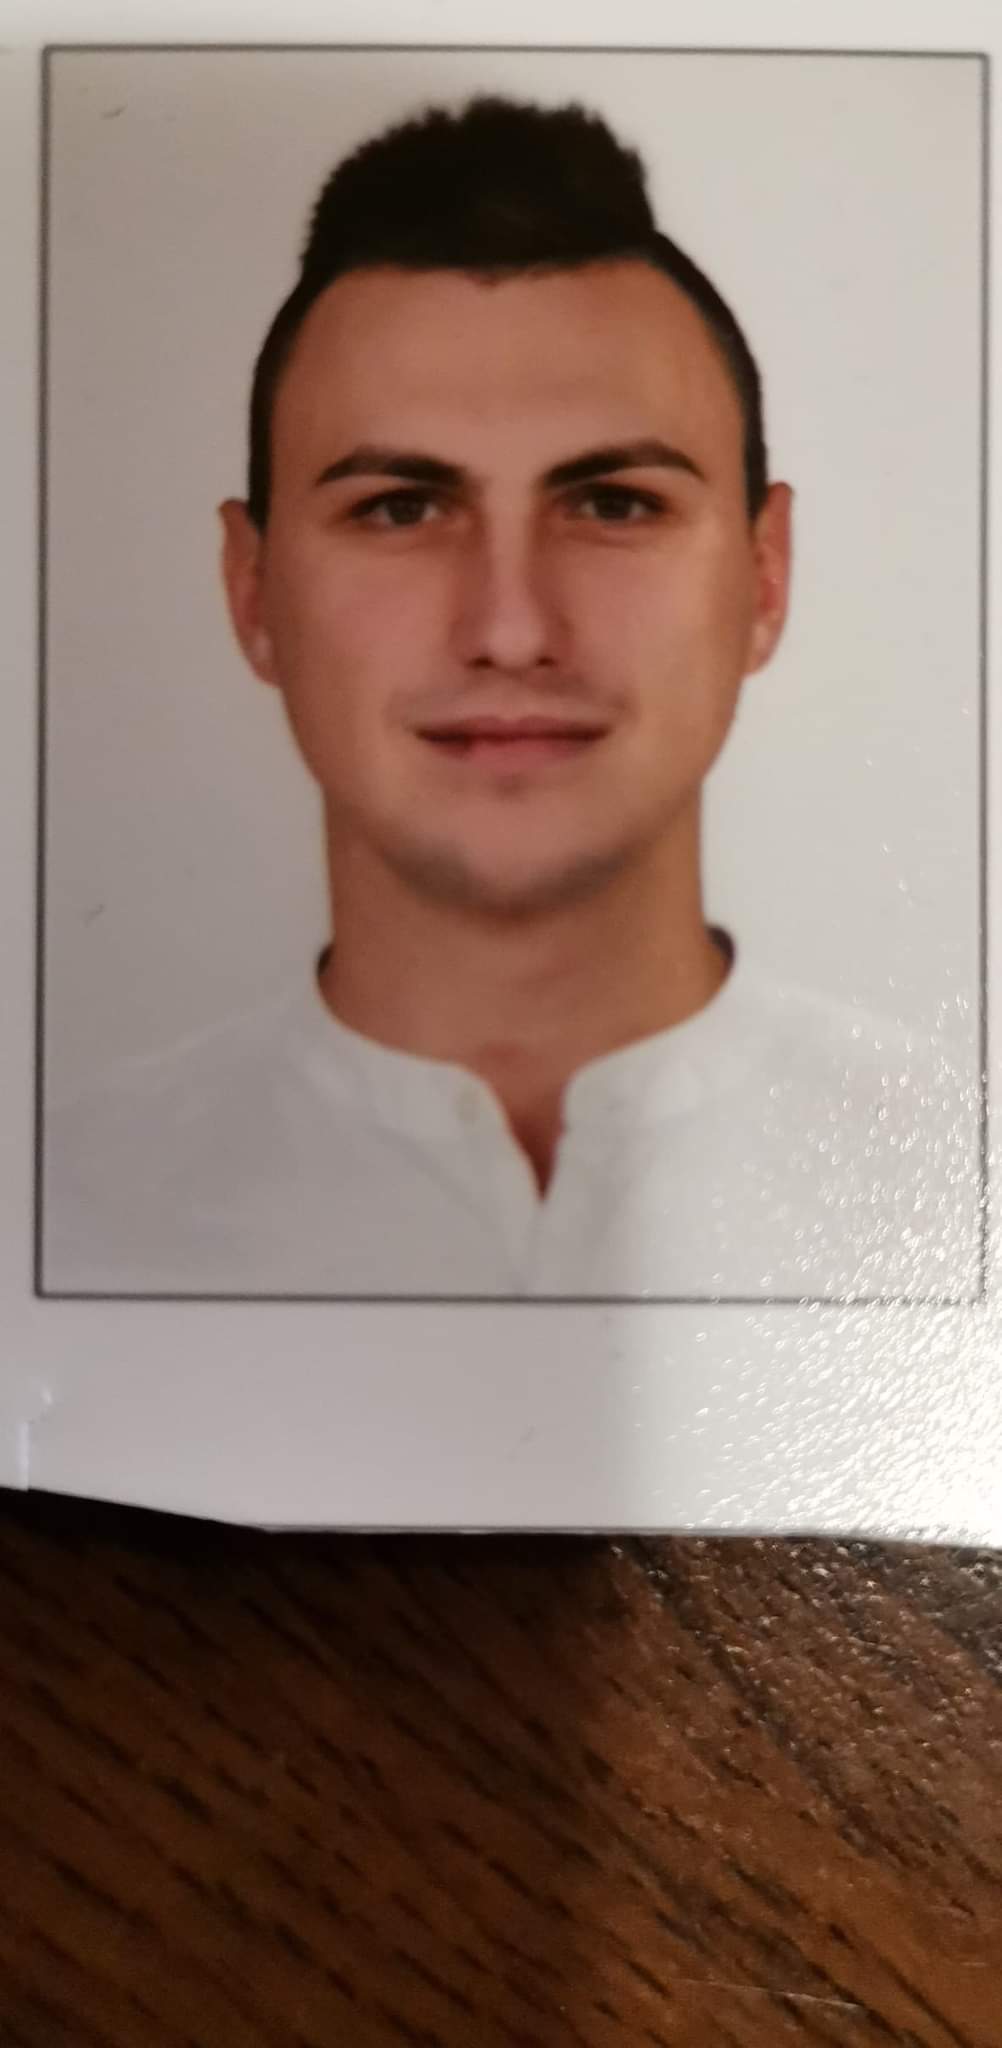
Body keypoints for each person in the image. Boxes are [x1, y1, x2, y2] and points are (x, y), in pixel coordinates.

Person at [43, 93, 978, 1301]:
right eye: (399, 508)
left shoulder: (968, 1183)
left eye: (613, 504)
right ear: (253, 590)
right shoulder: (57, 1205)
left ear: (765, 575)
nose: (511, 629)